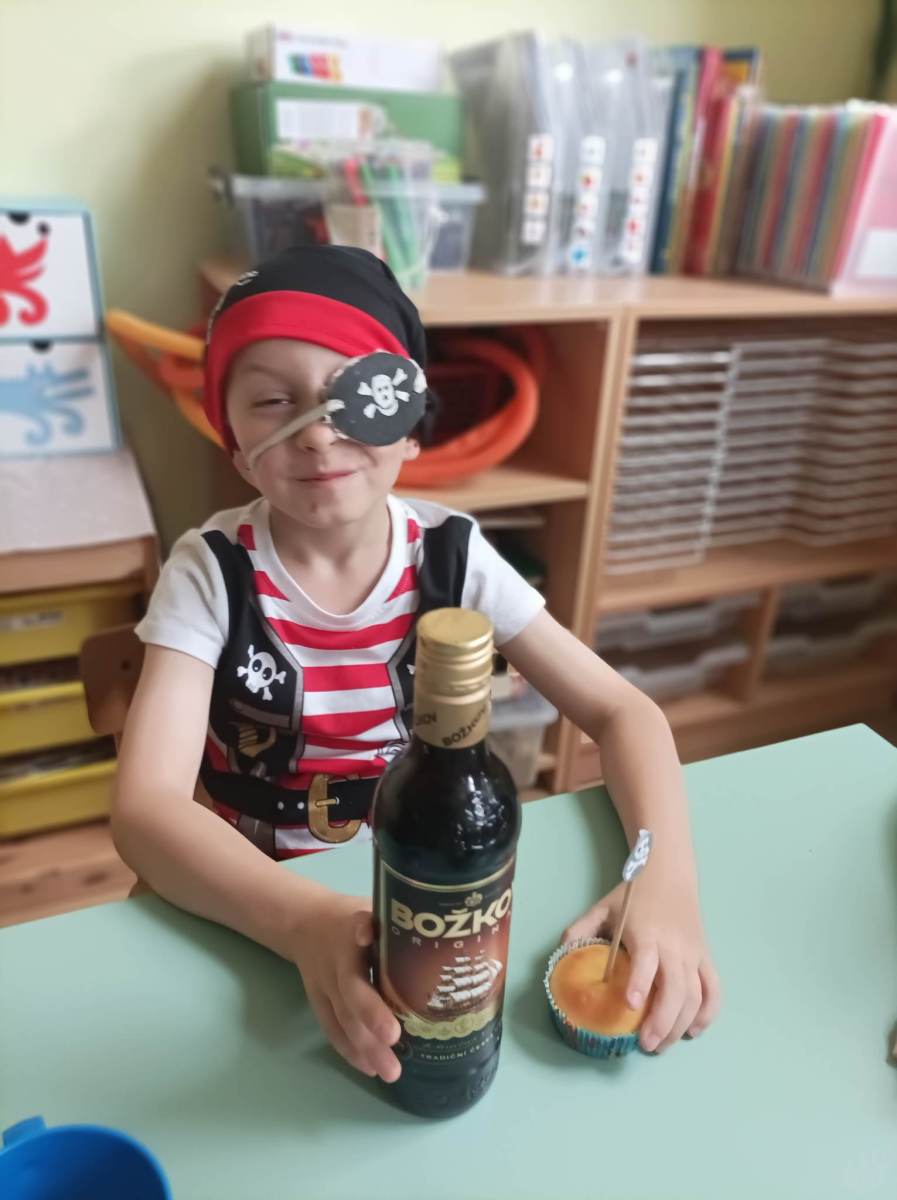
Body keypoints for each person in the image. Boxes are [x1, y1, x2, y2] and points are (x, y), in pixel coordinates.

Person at [113, 245, 720, 1085]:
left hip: (418, 901)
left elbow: (625, 714)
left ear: (406, 418)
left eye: (353, 395)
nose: (317, 431)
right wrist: (300, 921)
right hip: (245, 903)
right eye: (273, 401)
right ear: (235, 441)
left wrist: (665, 880)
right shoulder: (209, 573)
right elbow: (145, 808)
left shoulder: (453, 557)